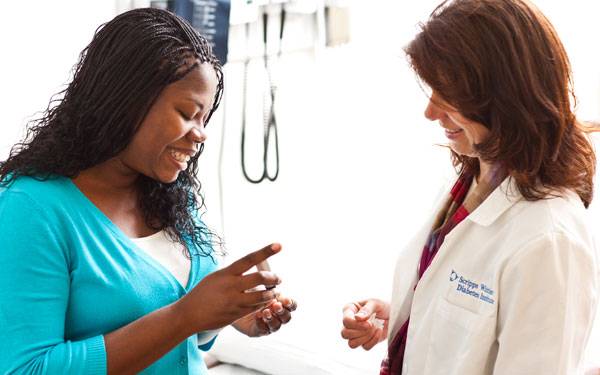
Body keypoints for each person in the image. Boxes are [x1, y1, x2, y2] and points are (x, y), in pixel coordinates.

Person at [0, 8, 296, 374]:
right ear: (127, 102)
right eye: (188, 113)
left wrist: (233, 315)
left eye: (205, 119)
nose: (200, 134)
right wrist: (185, 316)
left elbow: (187, 330)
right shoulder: (30, 208)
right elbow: (26, 368)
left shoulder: (172, 193)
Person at [341, 0, 598, 374]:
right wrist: (405, 315)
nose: (430, 112)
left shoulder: (550, 241)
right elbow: (472, 315)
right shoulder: (475, 182)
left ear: (504, 94)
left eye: (448, 95)